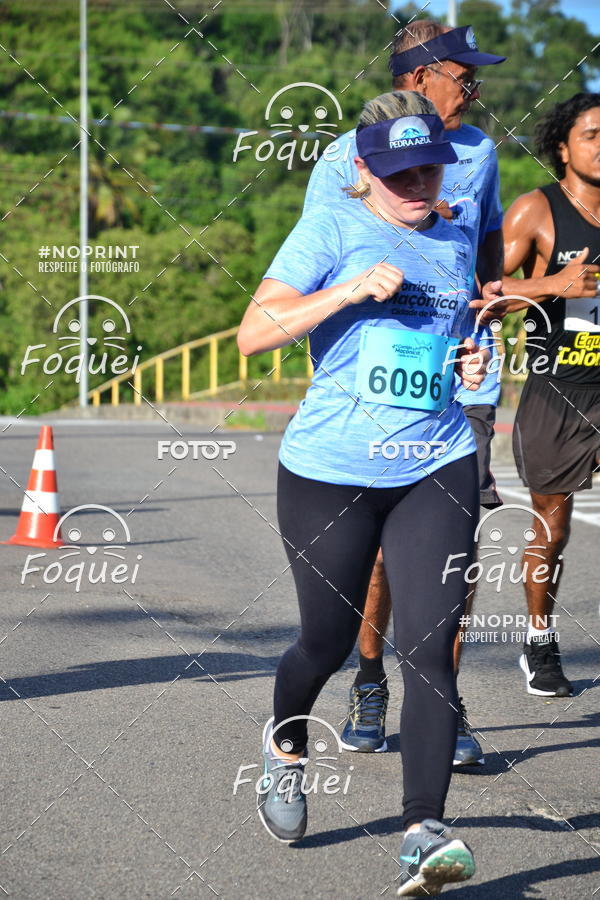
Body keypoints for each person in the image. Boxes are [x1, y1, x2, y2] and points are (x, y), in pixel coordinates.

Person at [238, 89, 502, 895]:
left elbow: (462, 330)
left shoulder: (457, 231)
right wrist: (346, 293)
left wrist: (476, 360)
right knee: (325, 638)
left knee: (429, 650)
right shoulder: (333, 227)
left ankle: (424, 831)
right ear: (363, 170)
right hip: (331, 469)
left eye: (430, 167)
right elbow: (255, 333)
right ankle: (284, 749)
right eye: (400, 172)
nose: (419, 182)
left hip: (437, 459)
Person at [304, 19, 506, 766]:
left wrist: (495, 289)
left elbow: (485, 244)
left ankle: (443, 701)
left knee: (456, 549)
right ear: (418, 79)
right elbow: (318, 260)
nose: (476, 91)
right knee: (383, 558)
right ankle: (367, 679)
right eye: (464, 77)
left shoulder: (480, 150)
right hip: (374, 374)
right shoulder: (339, 156)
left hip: (463, 366)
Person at [502, 92, 600, 697]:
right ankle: (539, 638)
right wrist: (555, 284)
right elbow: (490, 294)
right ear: (562, 147)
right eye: (592, 134)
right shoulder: (535, 211)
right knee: (553, 530)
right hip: (558, 391)